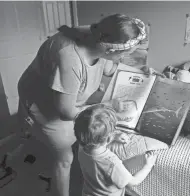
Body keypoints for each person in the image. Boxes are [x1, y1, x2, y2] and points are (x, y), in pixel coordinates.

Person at [17, 14, 156, 196]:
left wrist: (140, 72)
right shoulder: (69, 58)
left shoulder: (102, 37)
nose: (123, 59)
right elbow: (66, 112)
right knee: (64, 158)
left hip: (67, 100)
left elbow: (111, 68)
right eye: (124, 55)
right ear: (110, 51)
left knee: (78, 139)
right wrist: (107, 106)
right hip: (45, 104)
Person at [74, 104, 158, 196]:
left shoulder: (81, 147)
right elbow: (133, 182)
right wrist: (148, 165)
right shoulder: (111, 162)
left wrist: (113, 136)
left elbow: (93, 141)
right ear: (108, 137)